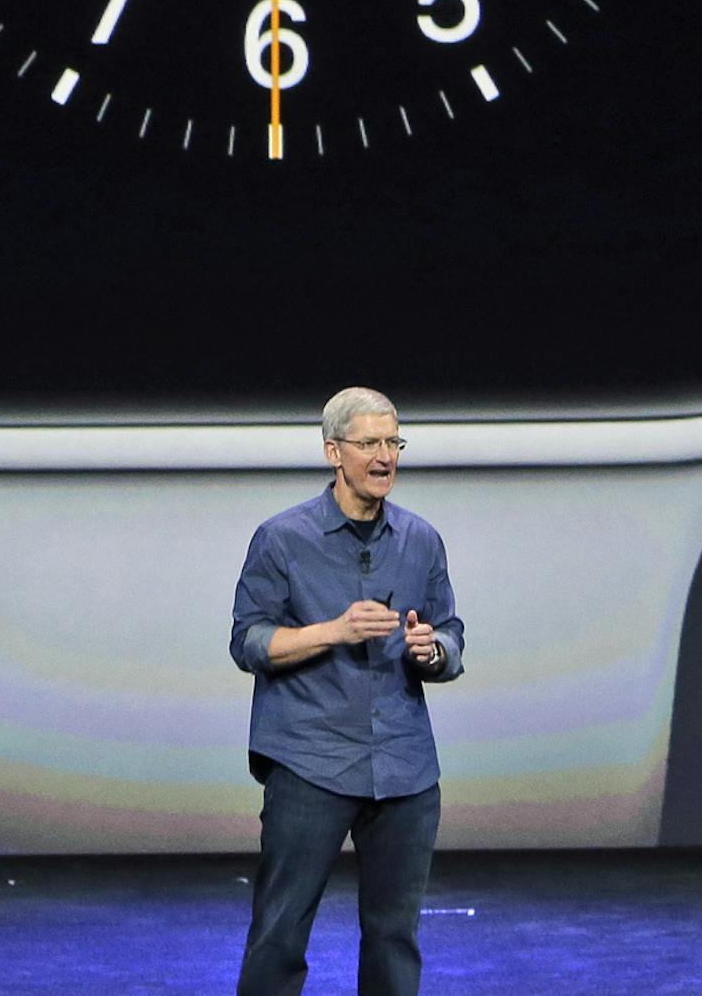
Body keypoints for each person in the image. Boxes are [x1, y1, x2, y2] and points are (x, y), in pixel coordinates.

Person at [230, 386, 464, 996]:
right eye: (370, 444)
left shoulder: (421, 540)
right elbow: (249, 642)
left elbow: (450, 633)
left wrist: (432, 650)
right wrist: (333, 631)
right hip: (311, 760)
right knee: (280, 931)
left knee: (395, 936)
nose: (385, 456)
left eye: (394, 442)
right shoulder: (282, 539)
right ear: (335, 452)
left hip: (405, 767)